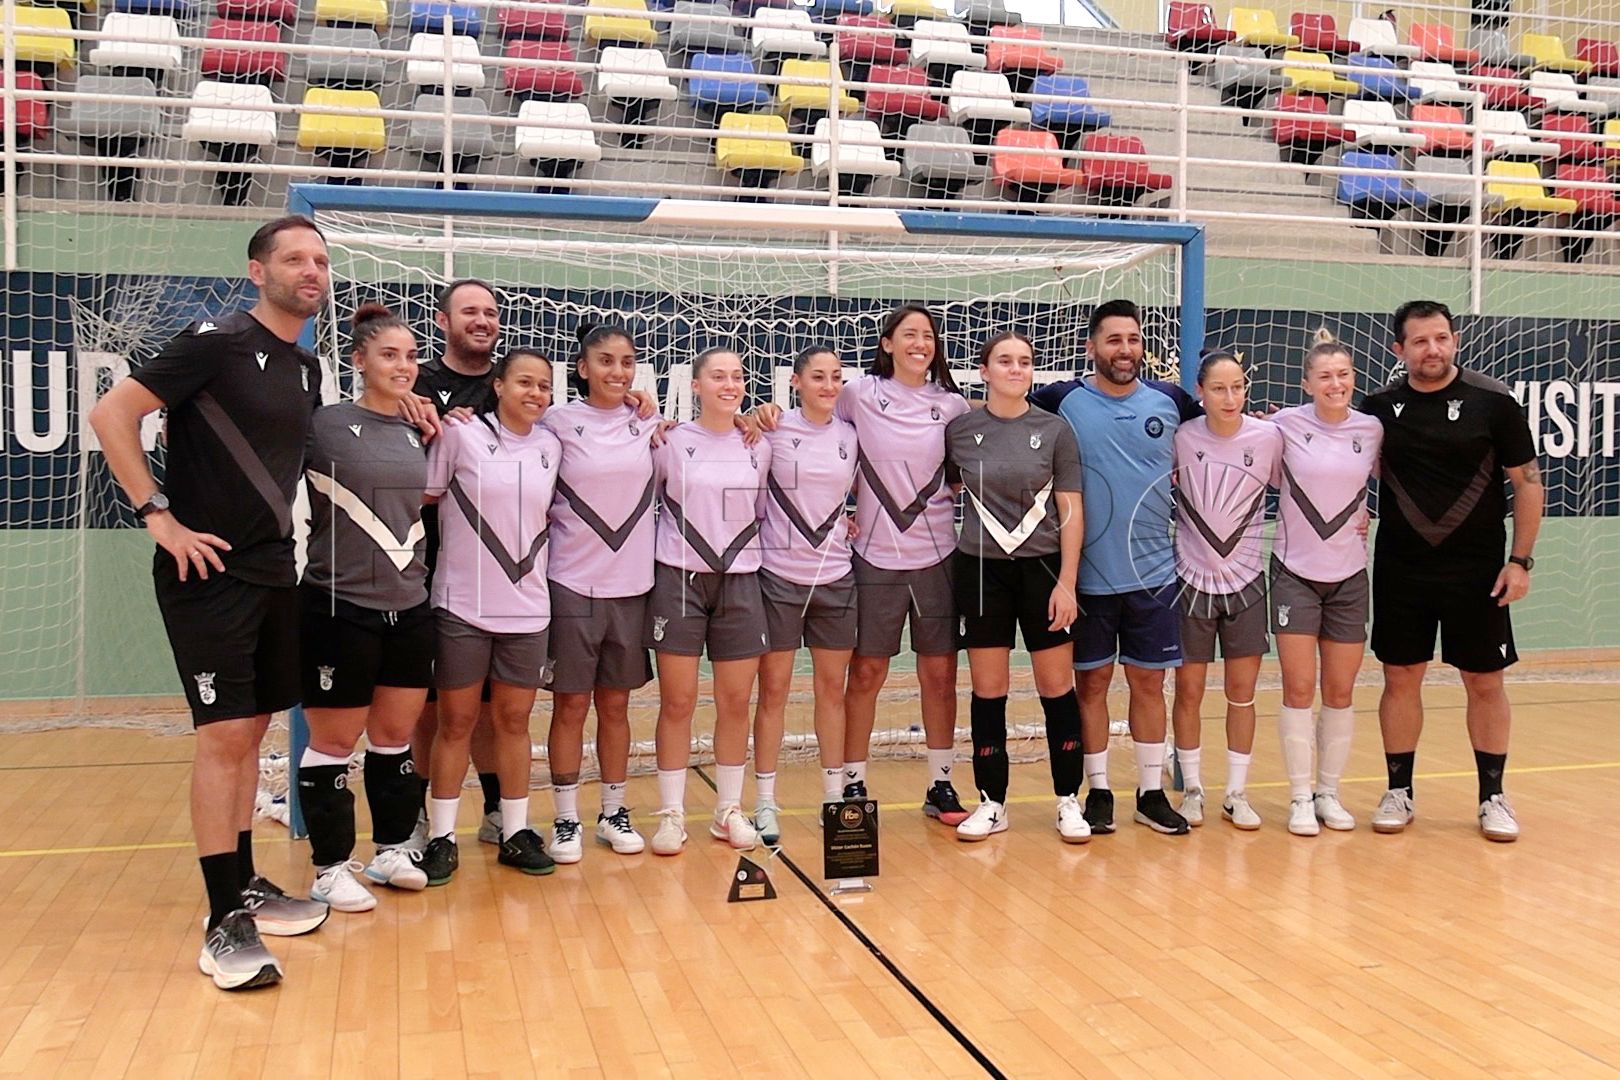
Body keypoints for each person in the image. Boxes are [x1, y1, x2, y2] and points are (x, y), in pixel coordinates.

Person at [88, 216, 357, 990]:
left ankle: (243, 882)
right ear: (256, 271)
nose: (312, 271)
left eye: (320, 260)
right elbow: (112, 414)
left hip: (277, 572)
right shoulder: (214, 340)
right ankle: (221, 922)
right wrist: (157, 514)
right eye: (295, 259)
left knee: (252, 732)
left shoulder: (305, 366)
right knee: (224, 738)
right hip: (209, 575)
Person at [758, 305, 971, 825]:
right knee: (868, 671)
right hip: (873, 558)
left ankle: (940, 782)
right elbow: (818, 438)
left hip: (938, 557)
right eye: (909, 335)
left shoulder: (954, 405)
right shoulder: (858, 394)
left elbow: (962, 472)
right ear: (887, 344)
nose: (920, 343)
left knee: (939, 674)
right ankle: (852, 781)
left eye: (928, 336)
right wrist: (759, 415)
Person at [1360, 300, 1542, 842]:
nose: (1432, 349)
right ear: (1400, 350)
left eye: (1441, 338)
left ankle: (1493, 797)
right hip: (1401, 569)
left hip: (1479, 571)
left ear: (1455, 340)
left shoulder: (1495, 401)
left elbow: (1528, 483)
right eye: (1419, 341)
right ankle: (1399, 791)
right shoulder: (1378, 407)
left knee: (1485, 681)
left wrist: (1520, 561)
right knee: (1399, 678)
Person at [1031, 299, 1202, 837]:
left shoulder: (1172, 400)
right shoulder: (1061, 401)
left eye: (1132, 339)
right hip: (1086, 577)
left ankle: (1151, 793)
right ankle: (1099, 791)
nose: (1124, 349)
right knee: (1094, 685)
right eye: (1113, 340)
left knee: (1149, 684)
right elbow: (996, 412)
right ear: (1091, 347)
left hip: (1154, 574)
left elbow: (1229, 430)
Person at [296, 303, 434, 910]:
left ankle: (392, 849)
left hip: (409, 605)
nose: (402, 366)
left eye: (409, 356)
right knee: (333, 741)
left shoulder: (421, 428)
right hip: (337, 603)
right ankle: (329, 866)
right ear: (358, 361)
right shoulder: (321, 425)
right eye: (388, 355)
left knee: (395, 735)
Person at [419, 349, 562, 883]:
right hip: (462, 605)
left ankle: (515, 831)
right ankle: (440, 837)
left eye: (544, 386)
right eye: (524, 382)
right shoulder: (461, 434)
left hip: (528, 609)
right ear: (497, 386)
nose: (535, 393)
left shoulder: (552, 444)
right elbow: (424, 498)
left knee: (514, 722)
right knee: (456, 722)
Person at [944, 332, 1088, 843]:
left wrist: (1067, 582)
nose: (1015, 369)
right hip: (981, 570)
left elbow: (1070, 511)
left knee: (1057, 687)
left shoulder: (1055, 431)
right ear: (983, 371)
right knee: (989, 690)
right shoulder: (960, 430)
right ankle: (992, 801)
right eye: (1004, 361)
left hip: (1044, 570)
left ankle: (1069, 799)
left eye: (1025, 362)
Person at [539, 325, 658, 862]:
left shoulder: (648, 421)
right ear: (583, 369)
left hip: (632, 588)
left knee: (616, 705)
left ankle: (613, 811)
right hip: (572, 585)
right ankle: (566, 818)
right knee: (570, 706)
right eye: (605, 361)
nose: (618, 372)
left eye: (627, 362)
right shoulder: (556, 421)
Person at [647, 347, 772, 855]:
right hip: (679, 580)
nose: (730, 384)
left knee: (735, 701)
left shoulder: (759, 444)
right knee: (677, 701)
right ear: (694, 386)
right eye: (717, 376)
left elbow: (770, 509)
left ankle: (727, 810)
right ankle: (672, 814)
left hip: (741, 580)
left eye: (737, 377)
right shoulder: (669, 442)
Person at [1270, 332, 1384, 836]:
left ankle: (1328, 792)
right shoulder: (1283, 426)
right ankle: (1298, 796)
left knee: (1339, 690)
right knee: (1298, 687)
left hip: (1349, 576)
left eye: (1343, 375)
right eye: (1324, 376)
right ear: (1307, 383)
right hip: (1294, 572)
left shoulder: (1373, 429)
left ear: (1353, 380)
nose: (1335, 384)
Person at [1167, 350, 1282, 832]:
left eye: (1238, 387)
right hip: (1190, 580)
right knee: (1189, 690)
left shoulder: (1269, 437)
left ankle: (1236, 792)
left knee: (1242, 693)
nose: (1230, 397)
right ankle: (1192, 789)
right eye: (1219, 388)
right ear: (1200, 393)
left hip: (1248, 582)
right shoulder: (1182, 437)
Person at [751, 346, 860, 845]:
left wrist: (852, 523)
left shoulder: (850, 436)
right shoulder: (772, 429)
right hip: (778, 578)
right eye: (818, 377)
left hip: (836, 577)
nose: (829, 385)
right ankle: (766, 801)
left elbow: (855, 499)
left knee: (830, 692)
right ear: (795, 382)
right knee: (773, 691)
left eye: (836, 377)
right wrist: (749, 414)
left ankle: (835, 797)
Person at [410, 279, 505, 844]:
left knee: (493, 702)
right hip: (427, 566)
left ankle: (497, 812)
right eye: (470, 311)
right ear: (443, 321)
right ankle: (418, 817)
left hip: (501, 569)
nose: (482, 320)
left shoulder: (513, 386)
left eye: (491, 312)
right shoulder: (416, 387)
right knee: (429, 704)